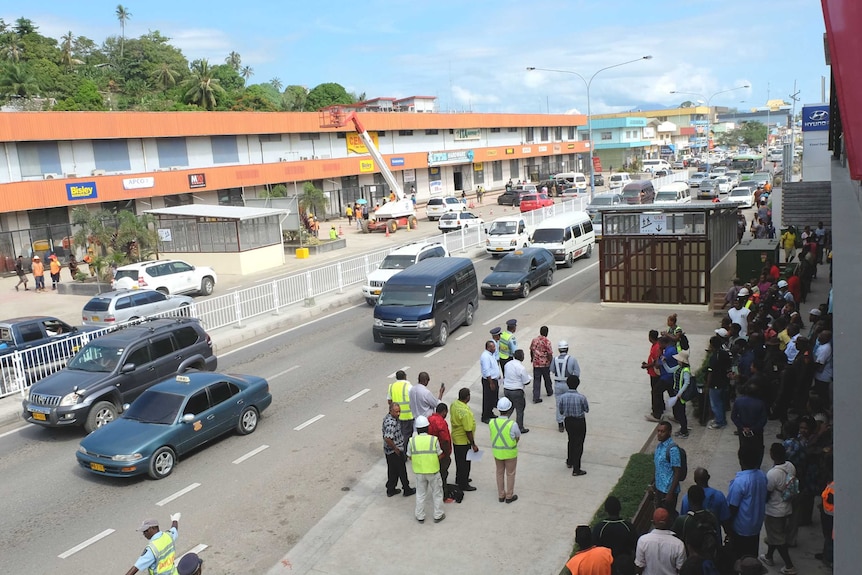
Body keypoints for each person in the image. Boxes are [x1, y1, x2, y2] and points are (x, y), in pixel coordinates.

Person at [759, 443, 797, 574]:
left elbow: (767, 493)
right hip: (787, 507)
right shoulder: (790, 466)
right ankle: (769, 556)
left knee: (778, 539)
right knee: (774, 535)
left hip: (774, 510)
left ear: (772, 455)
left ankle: (789, 566)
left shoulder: (772, 474)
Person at [727, 448, 768, 561]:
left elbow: (733, 507)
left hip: (741, 528)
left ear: (741, 460)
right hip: (756, 525)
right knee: (752, 555)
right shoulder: (762, 475)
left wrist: (728, 526)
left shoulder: (740, 482)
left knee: (739, 558)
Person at [407, 416, 445, 523]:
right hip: (433, 471)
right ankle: (438, 515)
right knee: (437, 494)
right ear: (427, 427)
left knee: (420, 494)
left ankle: (420, 516)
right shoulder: (433, 440)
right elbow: (440, 455)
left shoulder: (412, 441)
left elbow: (409, 456)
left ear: (417, 429)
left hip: (419, 472)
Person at [672, 486, 721, 564]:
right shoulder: (712, 516)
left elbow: (673, 543)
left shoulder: (682, 521)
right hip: (710, 561)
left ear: (689, 500)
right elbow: (718, 537)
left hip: (690, 562)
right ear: (704, 498)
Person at [681, 468, 732, 538]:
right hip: (713, 541)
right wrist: (729, 535)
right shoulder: (719, 496)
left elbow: (683, 521)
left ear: (695, 480)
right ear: (708, 477)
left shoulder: (687, 498)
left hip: (692, 542)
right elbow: (725, 521)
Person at [634, 508, 686, 575]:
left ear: (653, 522)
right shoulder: (678, 544)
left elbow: (639, 566)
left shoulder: (643, 540)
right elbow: (681, 569)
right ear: (670, 522)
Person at [592, 496, 637, 575]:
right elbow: (635, 545)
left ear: (606, 510)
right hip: (625, 567)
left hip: (606, 567)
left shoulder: (599, 528)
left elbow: (594, 548)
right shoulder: (628, 527)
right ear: (619, 508)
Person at [490, 397, 521, 503]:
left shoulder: (492, 422)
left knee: (499, 473)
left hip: (497, 452)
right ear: (509, 409)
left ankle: (501, 495)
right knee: (510, 473)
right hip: (510, 453)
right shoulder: (513, 424)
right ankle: (509, 496)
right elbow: (517, 437)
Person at [382, 403, 415, 498]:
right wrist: (395, 449)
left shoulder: (389, 418)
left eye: (399, 411)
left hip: (389, 451)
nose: (399, 413)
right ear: (391, 411)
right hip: (395, 451)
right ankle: (406, 489)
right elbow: (388, 438)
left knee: (393, 470)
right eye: (396, 411)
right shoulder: (391, 422)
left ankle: (391, 489)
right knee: (401, 470)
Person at [559, 374, 589, 476]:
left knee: (571, 440)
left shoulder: (562, 397)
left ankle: (570, 461)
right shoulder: (581, 397)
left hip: (568, 421)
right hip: (579, 421)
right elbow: (586, 409)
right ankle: (576, 469)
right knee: (579, 443)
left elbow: (561, 411)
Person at [450, 387, 479, 492]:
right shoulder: (465, 412)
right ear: (468, 397)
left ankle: (459, 479)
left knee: (459, 461)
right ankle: (464, 484)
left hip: (455, 438)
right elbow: (468, 430)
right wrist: (473, 444)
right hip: (463, 441)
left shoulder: (454, 404)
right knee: (465, 464)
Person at [651, 421, 682, 510]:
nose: (659, 434)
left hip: (668, 491)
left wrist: (670, 493)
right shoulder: (659, 447)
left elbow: (677, 472)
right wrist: (652, 485)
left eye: (662, 431)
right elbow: (657, 467)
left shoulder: (673, 450)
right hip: (659, 488)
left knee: (668, 517)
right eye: (658, 431)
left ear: (669, 432)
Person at [551, 340, 581, 432]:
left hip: (558, 384)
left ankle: (560, 424)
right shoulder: (572, 359)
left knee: (559, 404)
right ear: (567, 348)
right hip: (569, 384)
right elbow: (577, 373)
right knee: (570, 403)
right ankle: (569, 422)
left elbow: (552, 369)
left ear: (559, 349)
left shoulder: (555, 359)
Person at [502, 348, 531, 433]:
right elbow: (526, 382)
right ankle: (520, 427)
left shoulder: (507, 364)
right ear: (522, 357)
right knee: (519, 409)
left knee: (509, 408)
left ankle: (503, 424)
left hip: (507, 389)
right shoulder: (521, 367)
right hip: (517, 391)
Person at [705, 335, 731, 430]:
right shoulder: (725, 353)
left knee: (716, 404)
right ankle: (720, 418)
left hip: (715, 383)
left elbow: (710, 372)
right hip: (724, 381)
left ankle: (720, 422)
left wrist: (707, 385)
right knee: (722, 402)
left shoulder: (713, 357)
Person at [666, 349, 693, 439]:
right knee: (679, 412)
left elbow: (687, 383)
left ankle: (684, 431)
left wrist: (679, 393)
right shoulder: (678, 367)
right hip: (676, 393)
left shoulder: (685, 370)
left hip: (680, 395)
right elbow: (669, 370)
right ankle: (683, 428)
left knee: (681, 413)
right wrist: (664, 363)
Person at [387, 370, 414, 450]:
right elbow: (413, 399)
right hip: (407, 416)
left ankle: (399, 450)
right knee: (407, 435)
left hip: (395, 416)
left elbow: (389, 401)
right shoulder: (408, 386)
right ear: (405, 377)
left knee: (398, 435)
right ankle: (405, 452)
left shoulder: (391, 386)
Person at [428, 403, 452, 488]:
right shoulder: (441, 422)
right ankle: (444, 494)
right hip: (441, 453)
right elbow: (445, 440)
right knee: (443, 474)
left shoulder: (429, 419)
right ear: (444, 411)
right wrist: (447, 453)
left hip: (431, 452)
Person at [642, 330, 664, 422]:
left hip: (655, 373)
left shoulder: (656, 347)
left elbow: (656, 361)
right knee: (657, 391)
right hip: (653, 372)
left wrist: (647, 365)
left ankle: (656, 412)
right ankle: (661, 407)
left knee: (655, 391)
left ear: (650, 337)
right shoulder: (656, 345)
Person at [529, 325, 554, 403]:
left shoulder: (534, 340)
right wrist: (551, 362)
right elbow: (549, 353)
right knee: (547, 378)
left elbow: (531, 350)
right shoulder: (547, 342)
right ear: (547, 333)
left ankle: (536, 397)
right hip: (545, 364)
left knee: (536, 380)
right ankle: (549, 391)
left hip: (536, 363)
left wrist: (532, 358)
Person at [480, 336, 501, 423]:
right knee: (487, 399)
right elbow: (486, 370)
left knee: (493, 398)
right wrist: (491, 383)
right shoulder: (485, 356)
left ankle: (490, 412)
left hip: (494, 380)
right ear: (488, 348)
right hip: (489, 381)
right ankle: (485, 416)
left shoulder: (491, 355)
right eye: (492, 347)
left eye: (494, 346)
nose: (494, 348)